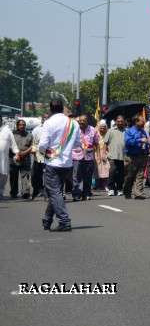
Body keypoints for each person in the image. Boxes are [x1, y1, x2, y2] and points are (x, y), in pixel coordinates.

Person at [36, 99, 82, 231]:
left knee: (55, 192)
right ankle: (47, 220)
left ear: (50, 109)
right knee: (54, 191)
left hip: (52, 162)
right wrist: (66, 147)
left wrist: (43, 151)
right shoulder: (73, 123)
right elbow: (78, 143)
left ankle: (64, 221)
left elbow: (43, 145)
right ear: (62, 108)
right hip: (67, 163)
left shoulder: (49, 123)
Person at [71, 115, 99, 201]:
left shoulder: (93, 130)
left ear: (87, 121)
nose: (81, 122)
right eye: (80, 120)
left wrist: (98, 155)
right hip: (77, 156)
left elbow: (96, 143)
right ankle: (77, 194)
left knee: (88, 177)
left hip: (89, 157)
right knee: (76, 177)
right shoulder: (75, 130)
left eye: (84, 120)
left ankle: (86, 193)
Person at [123, 114, 150, 200]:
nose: (144, 122)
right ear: (136, 122)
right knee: (129, 176)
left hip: (142, 156)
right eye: (142, 121)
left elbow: (145, 141)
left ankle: (138, 193)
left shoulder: (143, 132)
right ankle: (127, 190)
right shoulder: (129, 131)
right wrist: (139, 140)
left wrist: (147, 146)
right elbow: (128, 142)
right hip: (131, 157)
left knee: (140, 175)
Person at [12, 119, 34, 199]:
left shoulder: (29, 135)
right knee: (13, 176)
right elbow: (8, 144)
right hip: (13, 158)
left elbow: (32, 145)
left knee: (25, 176)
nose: (22, 126)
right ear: (17, 125)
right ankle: (14, 192)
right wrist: (16, 152)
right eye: (20, 125)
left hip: (25, 158)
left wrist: (25, 152)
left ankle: (26, 192)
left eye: (24, 125)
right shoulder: (12, 134)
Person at [105, 115, 126, 196]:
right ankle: (111, 188)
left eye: (121, 121)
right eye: (118, 121)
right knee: (112, 171)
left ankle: (119, 188)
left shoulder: (126, 131)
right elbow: (105, 143)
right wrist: (104, 153)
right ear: (116, 122)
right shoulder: (111, 131)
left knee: (121, 172)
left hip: (123, 155)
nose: (120, 123)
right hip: (112, 155)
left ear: (124, 122)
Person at [0, 119, 17, 200]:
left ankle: (1, 191)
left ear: (1, 120)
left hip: (3, 158)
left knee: (3, 175)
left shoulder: (7, 130)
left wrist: (16, 153)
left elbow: (13, 144)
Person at [94, 120, 110, 192]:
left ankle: (105, 185)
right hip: (97, 152)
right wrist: (98, 154)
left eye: (104, 128)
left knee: (106, 168)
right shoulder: (96, 134)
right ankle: (98, 185)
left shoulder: (108, 134)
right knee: (98, 169)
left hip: (106, 152)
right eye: (101, 128)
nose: (102, 129)